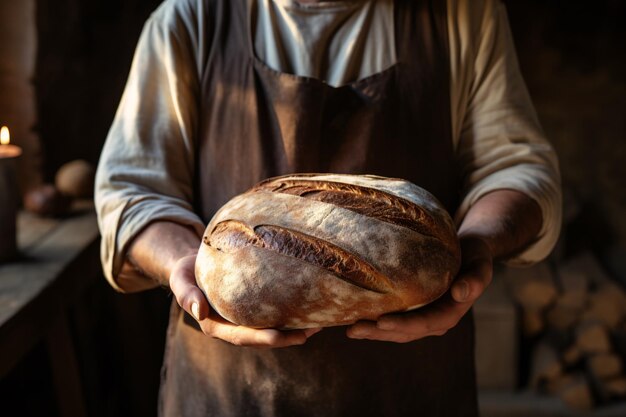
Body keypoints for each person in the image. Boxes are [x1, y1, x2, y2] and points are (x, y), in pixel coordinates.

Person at [95, 0, 561, 415]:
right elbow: (132, 191)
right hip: (229, 393)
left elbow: (516, 169)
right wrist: (182, 261)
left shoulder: (461, 14)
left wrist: (477, 243)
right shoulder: (191, 18)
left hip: (408, 389)